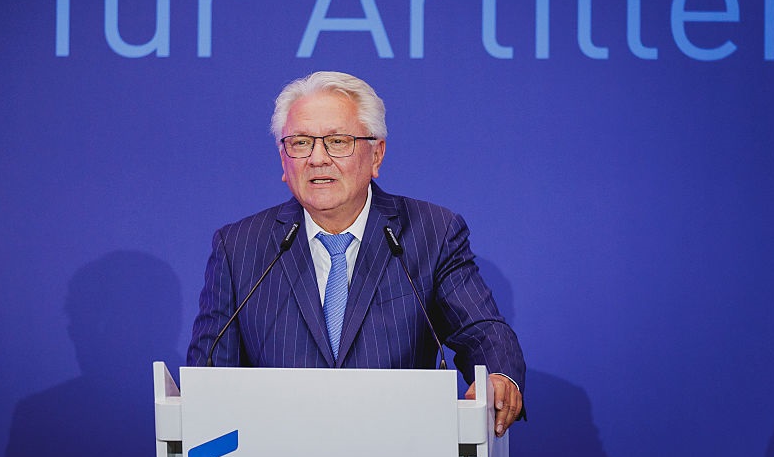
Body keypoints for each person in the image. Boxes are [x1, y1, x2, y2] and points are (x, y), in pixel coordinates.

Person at [186, 71, 525, 435]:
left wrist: (499, 376)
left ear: (376, 154)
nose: (317, 158)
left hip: (401, 452)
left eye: (337, 141)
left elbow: (480, 328)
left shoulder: (432, 232)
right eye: (300, 143)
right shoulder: (239, 247)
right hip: (273, 454)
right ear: (283, 160)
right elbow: (208, 376)